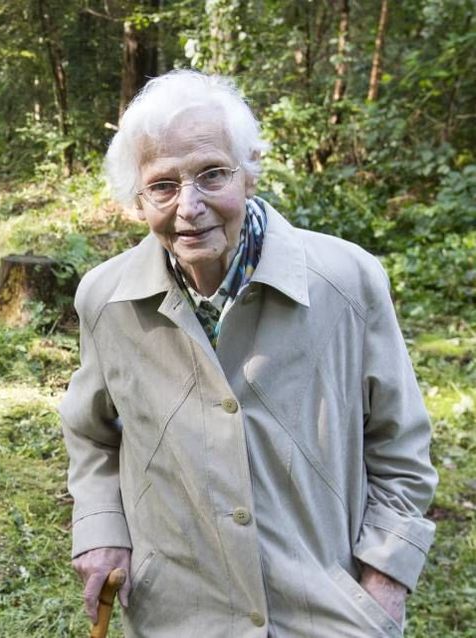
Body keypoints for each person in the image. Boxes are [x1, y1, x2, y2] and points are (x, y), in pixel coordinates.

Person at [60, 70, 437, 637]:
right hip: (177, 616)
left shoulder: (345, 280)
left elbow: (400, 442)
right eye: (163, 184)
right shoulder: (106, 299)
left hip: (323, 612)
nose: (189, 206)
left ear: (250, 172)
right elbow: (92, 435)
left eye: (212, 175)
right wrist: (101, 527)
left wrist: (386, 575)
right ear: (138, 199)